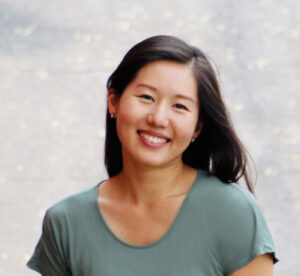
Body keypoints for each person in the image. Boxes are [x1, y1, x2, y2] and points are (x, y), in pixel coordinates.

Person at [27, 35, 278, 275]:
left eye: (180, 106)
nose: (157, 118)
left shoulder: (232, 212)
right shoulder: (65, 222)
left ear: (198, 126)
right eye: (146, 97)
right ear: (113, 101)